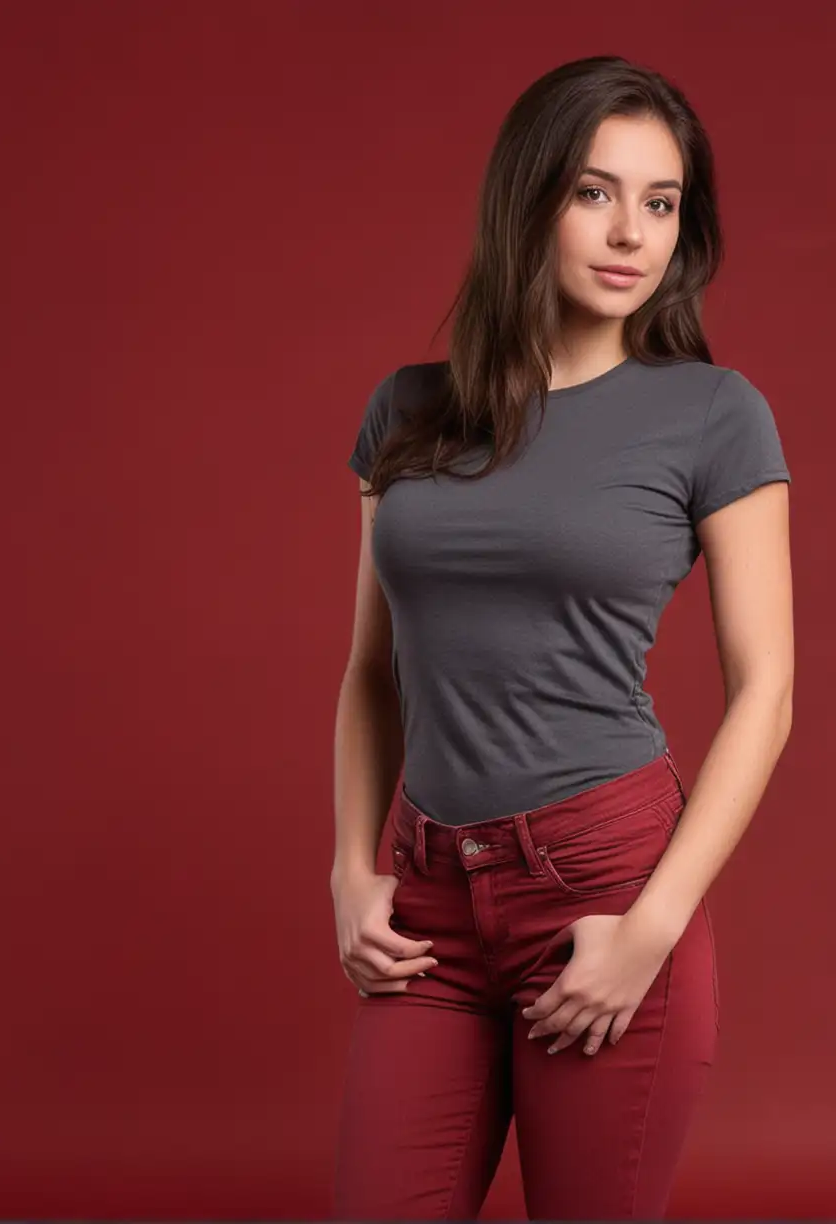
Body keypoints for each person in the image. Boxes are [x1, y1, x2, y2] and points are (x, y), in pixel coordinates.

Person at [327, 55, 794, 1221]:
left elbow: (767, 693)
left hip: (602, 882)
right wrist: (349, 868)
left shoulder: (712, 414)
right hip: (429, 897)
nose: (630, 231)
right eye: (594, 192)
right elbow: (372, 670)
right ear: (526, 199)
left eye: (661, 200)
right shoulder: (410, 410)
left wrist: (651, 930)